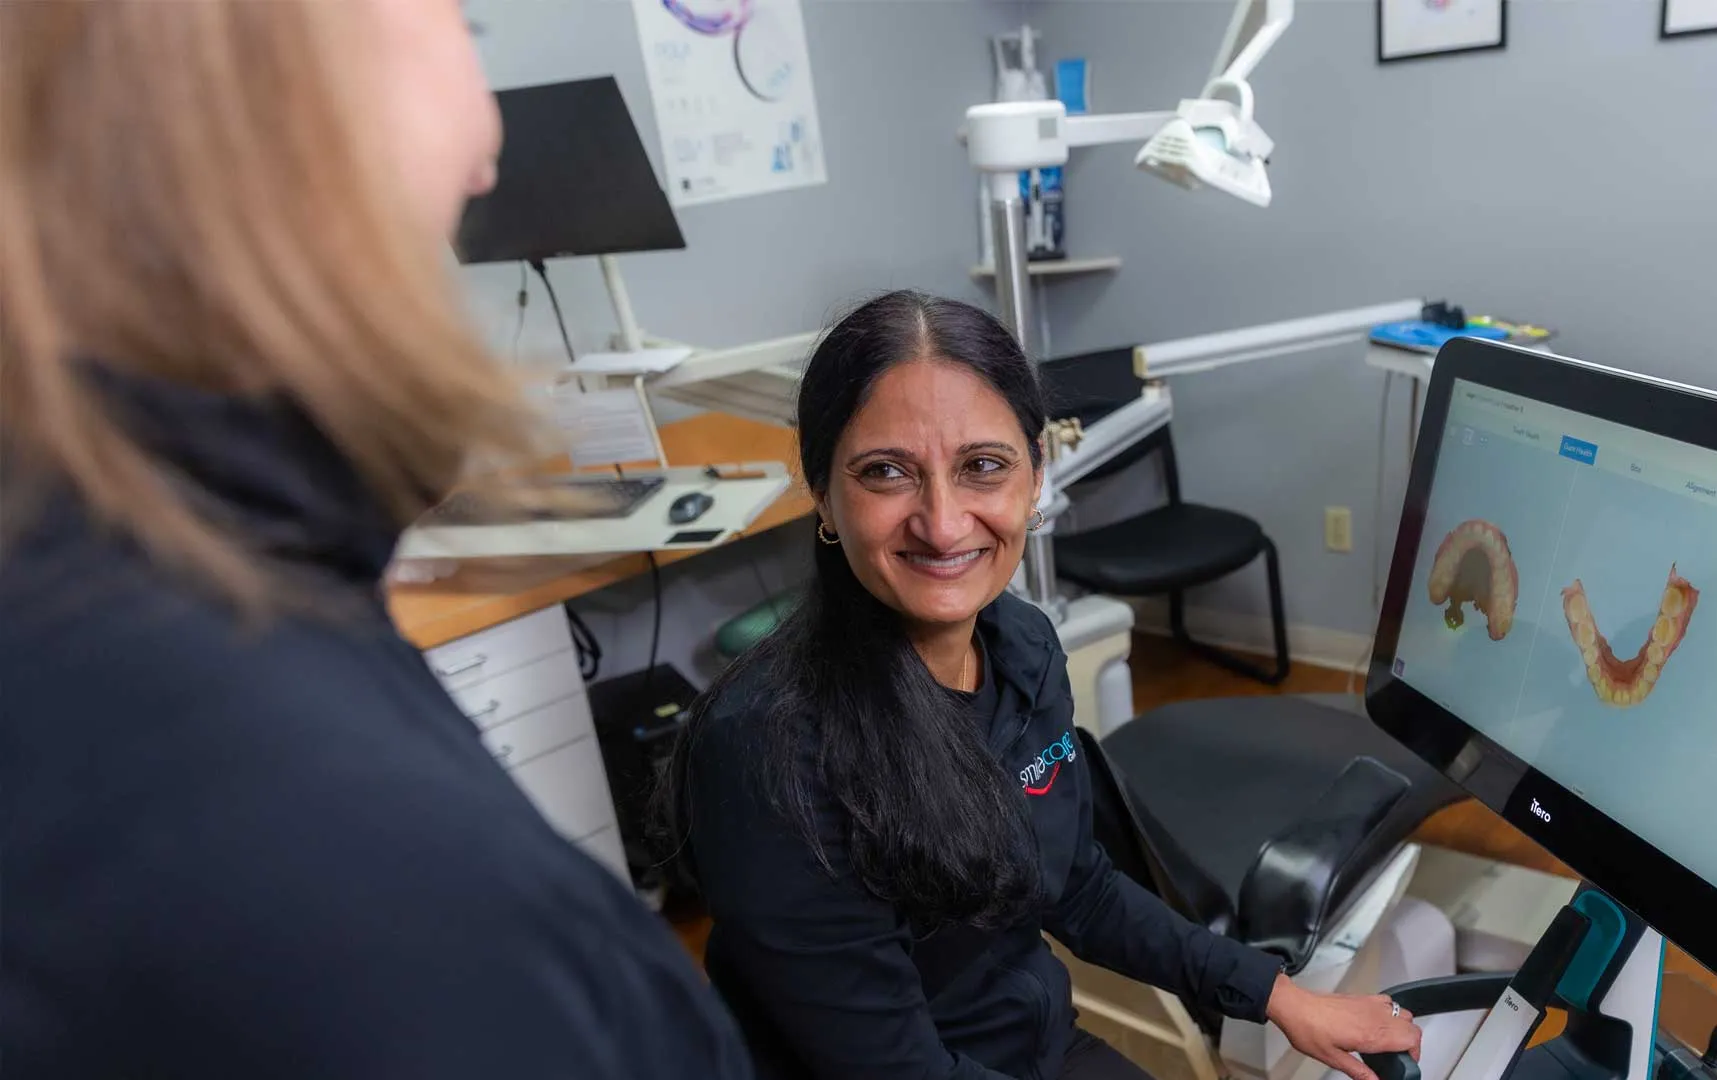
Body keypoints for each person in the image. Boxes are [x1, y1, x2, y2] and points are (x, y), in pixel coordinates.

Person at [0, 2, 748, 1076]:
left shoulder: (113, 577)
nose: (488, 149)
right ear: (295, 77)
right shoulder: (344, 856)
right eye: (467, 28)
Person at [668, 291, 1424, 1080]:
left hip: (1032, 1048)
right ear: (824, 493)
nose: (944, 522)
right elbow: (890, 1067)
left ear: (1035, 475)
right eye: (886, 472)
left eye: (982, 467)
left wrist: (1277, 994)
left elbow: (1078, 887)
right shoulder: (770, 752)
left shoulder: (1022, 650)